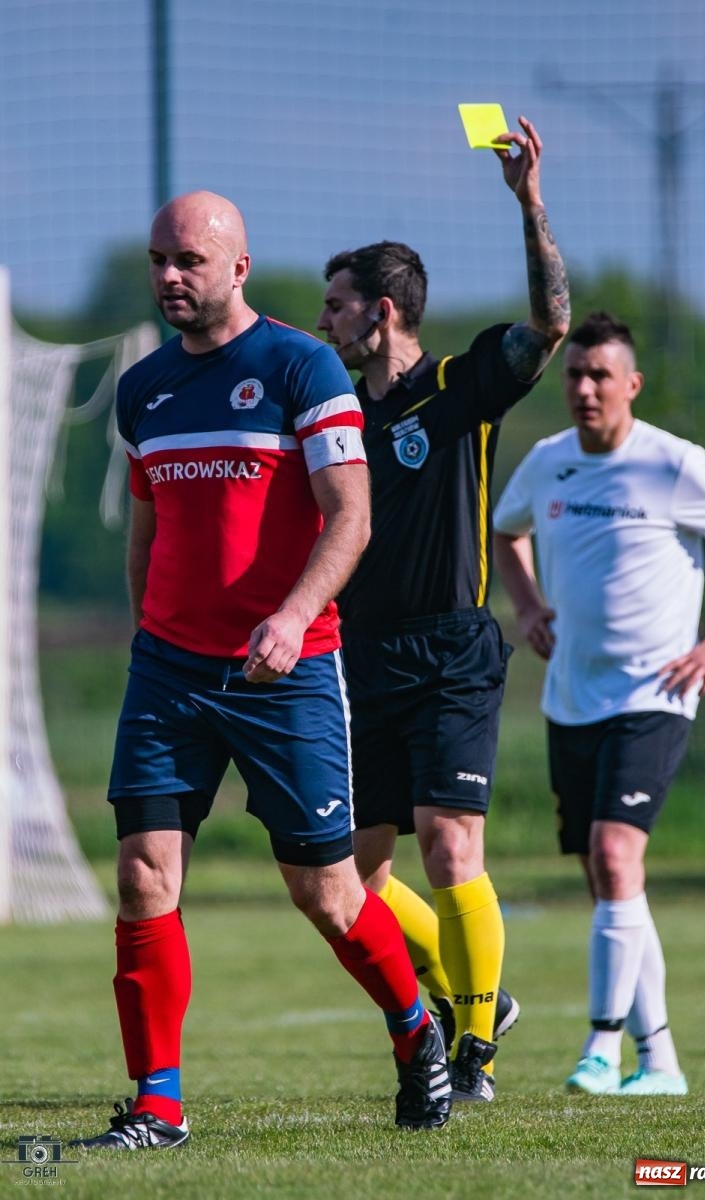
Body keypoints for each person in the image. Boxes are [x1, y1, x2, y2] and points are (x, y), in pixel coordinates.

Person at [71, 191, 453, 1151]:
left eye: (188, 261)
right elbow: (149, 531)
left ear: (238, 268)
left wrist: (291, 614)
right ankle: (158, 1106)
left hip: (287, 670)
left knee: (327, 893)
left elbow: (351, 516)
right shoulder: (144, 389)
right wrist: (149, 636)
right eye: (158, 260)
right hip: (169, 672)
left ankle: (416, 1029)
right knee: (144, 877)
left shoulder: (300, 366)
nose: (169, 276)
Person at [316, 116, 569, 1102]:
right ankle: (479, 1001)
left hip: (452, 649)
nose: (326, 320)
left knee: (449, 844)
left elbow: (549, 325)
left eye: (338, 306)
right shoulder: (338, 415)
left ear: (380, 313)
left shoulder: (460, 387)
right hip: (361, 654)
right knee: (356, 879)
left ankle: (473, 1056)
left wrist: (529, 204)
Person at [492, 311, 705, 1096]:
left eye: (601, 375)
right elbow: (505, 532)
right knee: (610, 880)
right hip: (571, 699)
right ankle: (659, 1061)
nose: (585, 388)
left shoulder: (673, 464)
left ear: (632, 385)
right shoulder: (549, 462)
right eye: (575, 374)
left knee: (616, 857)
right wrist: (529, 606)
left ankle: (599, 1048)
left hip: (656, 694)